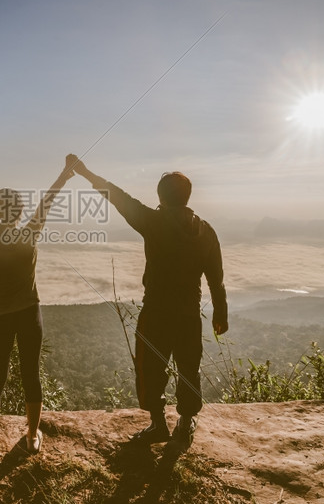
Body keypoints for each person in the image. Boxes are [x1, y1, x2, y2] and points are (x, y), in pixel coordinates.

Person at [67, 154, 228, 446]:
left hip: (156, 313)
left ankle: (158, 424)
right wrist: (221, 313)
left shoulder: (154, 222)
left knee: (150, 369)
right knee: (189, 368)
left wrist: (85, 172)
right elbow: (216, 279)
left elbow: (117, 197)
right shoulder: (206, 231)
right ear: (187, 196)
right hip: (189, 315)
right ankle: (186, 422)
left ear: (161, 198)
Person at [0, 156, 75, 456]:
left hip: (1, 317)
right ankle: (31, 439)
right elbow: (48, 201)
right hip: (30, 314)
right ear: (18, 211)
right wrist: (64, 175)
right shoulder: (29, 233)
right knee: (31, 374)